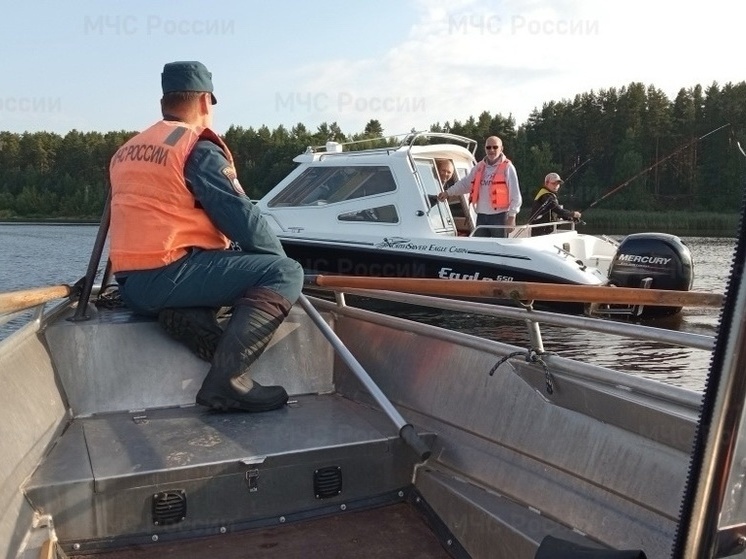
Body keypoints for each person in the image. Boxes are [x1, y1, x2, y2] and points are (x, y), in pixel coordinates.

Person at [108, 61, 304, 413]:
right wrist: (278, 267)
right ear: (203, 102)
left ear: (164, 101)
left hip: (131, 286)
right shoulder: (194, 146)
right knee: (285, 273)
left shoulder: (130, 148)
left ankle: (194, 317)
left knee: (217, 275)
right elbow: (240, 214)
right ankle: (228, 382)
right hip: (170, 273)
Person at [436, 136, 521, 237]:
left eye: (495, 147)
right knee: (480, 247)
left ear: (501, 149)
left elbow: (515, 195)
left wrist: (512, 217)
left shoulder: (508, 167)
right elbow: (465, 184)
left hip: (500, 217)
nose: (492, 150)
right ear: (485, 149)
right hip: (481, 216)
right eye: (488, 147)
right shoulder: (479, 167)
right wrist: (447, 193)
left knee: (498, 248)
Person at [528, 172, 582, 236]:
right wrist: (573, 214)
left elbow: (556, 212)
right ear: (546, 183)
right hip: (540, 232)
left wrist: (569, 218)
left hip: (545, 230)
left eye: (558, 184)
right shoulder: (546, 196)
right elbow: (558, 210)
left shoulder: (547, 194)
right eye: (553, 183)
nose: (556, 186)